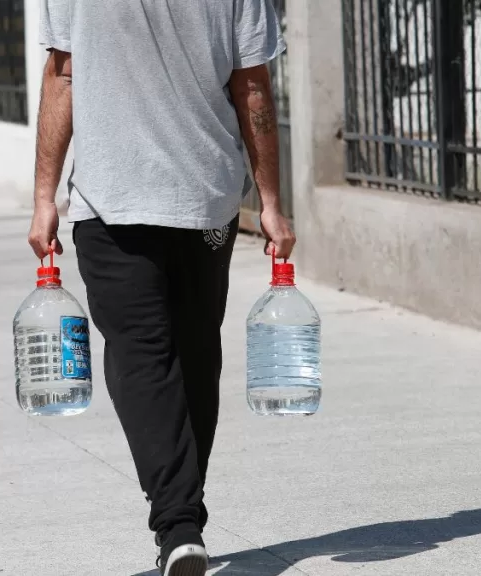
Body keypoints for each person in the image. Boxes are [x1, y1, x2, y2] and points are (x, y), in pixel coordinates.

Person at [28, 1, 295, 574]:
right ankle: (181, 522)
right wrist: (269, 201)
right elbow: (252, 86)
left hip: (129, 202)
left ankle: (179, 523)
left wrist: (44, 198)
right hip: (199, 199)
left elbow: (62, 74)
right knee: (186, 355)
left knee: (151, 357)